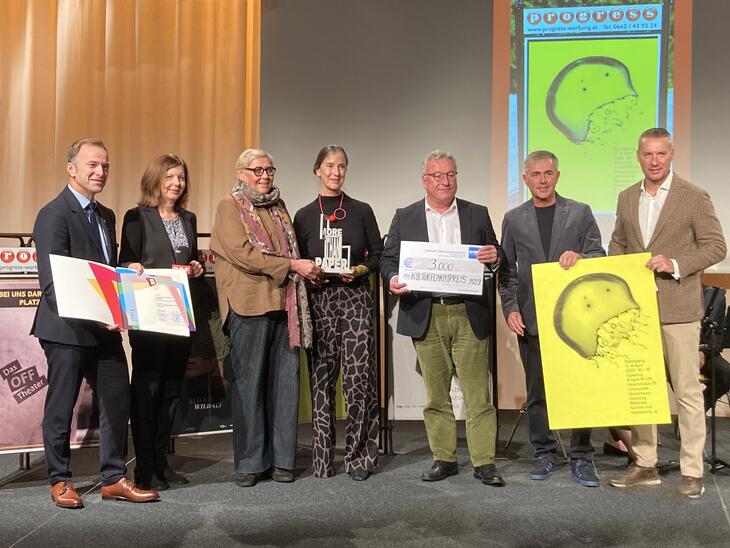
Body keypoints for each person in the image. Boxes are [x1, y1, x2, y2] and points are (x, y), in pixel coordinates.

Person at [31, 138, 159, 507]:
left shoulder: (106, 215)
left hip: (104, 329)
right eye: (92, 165)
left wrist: (125, 272)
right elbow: (55, 283)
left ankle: (114, 478)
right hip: (66, 329)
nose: (100, 172)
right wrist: (101, 312)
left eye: (105, 166)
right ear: (71, 168)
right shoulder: (53, 214)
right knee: (61, 405)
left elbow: (98, 272)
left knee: (117, 400)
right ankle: (59, 480)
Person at [608, 128, 726, 498]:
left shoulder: (693, 196)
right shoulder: (627, 197)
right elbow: (619, 242)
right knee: (643, 390)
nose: (654, 160)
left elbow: (715, 246)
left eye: (661, 154)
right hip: (637, 313)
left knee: (688, 393)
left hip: (679, 309)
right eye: (647, 154)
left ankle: (692, 471)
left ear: (671, 154)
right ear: (638, 156)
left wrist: (675, 262)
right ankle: (645, 464)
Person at [380, 150, 504, 486]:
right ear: (425, 181)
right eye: (437, 175)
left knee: (478, 394)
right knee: (436, 394)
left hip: (468, 312)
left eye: (450, 174)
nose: (445, 181)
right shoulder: (405, 216)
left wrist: (495, 256)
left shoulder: (476, 213)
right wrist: (392, 280)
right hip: (426, 313)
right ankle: (444, 458)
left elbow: (496, 253)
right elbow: (388, 260)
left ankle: (484, 462)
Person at [210, 148, 322, 487]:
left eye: (269, 169)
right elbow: (244, 255)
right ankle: (249, 463)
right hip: (248, 306)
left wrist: (300, 266)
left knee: (285, 385)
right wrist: (291, 266)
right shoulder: (230, 206)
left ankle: (283, 460)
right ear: (241, 172)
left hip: (284, 305)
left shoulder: (278, 206)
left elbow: (288, 248)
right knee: (249, 386)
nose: (265, 176)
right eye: (257, 170)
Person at [499, 150, 605, 487]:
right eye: (535, 174)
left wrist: (582, 257)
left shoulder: (580, 212)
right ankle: (544, 452)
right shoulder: (514, 218)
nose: (542, 180)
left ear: (557, 175)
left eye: (548, 173)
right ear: (525, 178)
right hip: (531, 317)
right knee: (537, 391)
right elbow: (506, 272)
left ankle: (581, 456)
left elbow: (598, 256)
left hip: (575, 317)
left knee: (579, 387)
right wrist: (511, 308)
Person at [293, 145, 382, 481]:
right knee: (321, 383)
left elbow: (377, 255)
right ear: (317, 169)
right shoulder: (303, 215)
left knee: (359, 382)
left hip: (357, 300)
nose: (336, 172)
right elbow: (298, 261)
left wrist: (359, 270)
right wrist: (309, 272)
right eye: (330, 165)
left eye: (342, 166)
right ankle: (323, 460)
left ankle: (359, 458)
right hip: (319, 302)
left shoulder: (361, 210)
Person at [118, 154, 205, 491]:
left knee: (170, 391)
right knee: (147, 391)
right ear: (155, 179)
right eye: (169, 176)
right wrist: (132, 266)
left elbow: (190, 260)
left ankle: (161, 461)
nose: (176, 183)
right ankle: (144, 468)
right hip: (149, 315)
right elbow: (125, 259)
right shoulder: (137, 216)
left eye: (181, 177)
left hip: (180, 315)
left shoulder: (189, 218)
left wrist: (196, 268)